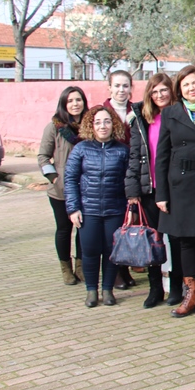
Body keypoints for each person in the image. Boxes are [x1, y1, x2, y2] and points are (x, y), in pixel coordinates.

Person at [155, 65, 195, 320]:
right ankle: (189, 294)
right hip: (179, 185)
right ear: (179, 90)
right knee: (185, 241)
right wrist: (162, 193)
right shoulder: (170, 113)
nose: (191, 88)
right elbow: (162, 155)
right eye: (186, 85)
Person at [64, 105, 129, 308]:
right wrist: (73, 208)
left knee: (111, 251)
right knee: (90, 251)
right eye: (98, 122)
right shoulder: (81, 149)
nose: (103, 126)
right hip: (88, 210)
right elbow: (70, 179)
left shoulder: (122, 151)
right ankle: (91, 290)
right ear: (91, 125)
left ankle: (108, 289)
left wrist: (129, 210)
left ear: (114, 124)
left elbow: (128, 181)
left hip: (114, 210)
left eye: (107, 121)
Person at [126, 73, 179, 308]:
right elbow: (135, 156)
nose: (159, 95)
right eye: (155, 91)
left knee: (177, 242)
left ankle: (177, 288)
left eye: (164, 90)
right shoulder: (142, 119)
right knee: (153, 241)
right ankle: (155, 288)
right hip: (150, 190)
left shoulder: (179, 114)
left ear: (171, 91)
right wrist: (132, 191)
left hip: (174, 189)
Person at [39, 86, 87, 286]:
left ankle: (81, 267)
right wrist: (54, 178)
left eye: (78, 100)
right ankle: (65, 268)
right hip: (61, 190)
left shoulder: (89, 124)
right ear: (64, 104)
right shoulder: (55, 126)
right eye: (70, 101)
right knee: (64, 229)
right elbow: (43, 157)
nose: (75, 104)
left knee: (82, 228)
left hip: (85, 187)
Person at [103, 69, 136, 289]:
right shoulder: (102, 112)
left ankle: (125, 266)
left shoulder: (137, 110)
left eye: (125, 86)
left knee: (128, 220)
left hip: (131, 170)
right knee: (112, 224)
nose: (121, 90)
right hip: (110, 173)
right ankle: (114, 272)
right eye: (117, 86)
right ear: (109, 88)